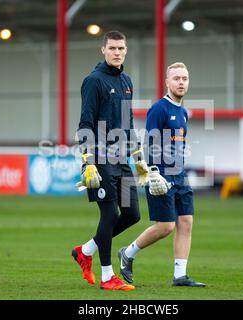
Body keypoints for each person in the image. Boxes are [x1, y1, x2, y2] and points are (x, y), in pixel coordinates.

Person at [72, 31, 150, 291]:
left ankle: (85, 250)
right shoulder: (93, 81)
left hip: (121, 159)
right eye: (112, 48)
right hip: (100, 158)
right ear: (103, 50)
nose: (117, 52)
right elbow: (85, 122)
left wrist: (137, 155)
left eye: (121, 48)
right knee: (110, 213)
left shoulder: (127, 81)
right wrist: (87, 160)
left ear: (126, 51)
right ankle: (107, 277)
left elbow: (127, 123)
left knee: (132, 214)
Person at [118, 62, 206, 287]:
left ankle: (180, 276)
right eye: (176, 78)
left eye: (184, 78)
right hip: (161, 176)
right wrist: (152, 173)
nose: (181, 82)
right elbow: (149, 143)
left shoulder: (183, 111)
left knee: (186, 222)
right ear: (167, 82)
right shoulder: (159, 109)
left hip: (180, 176)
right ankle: (127, 253)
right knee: (166, 226)